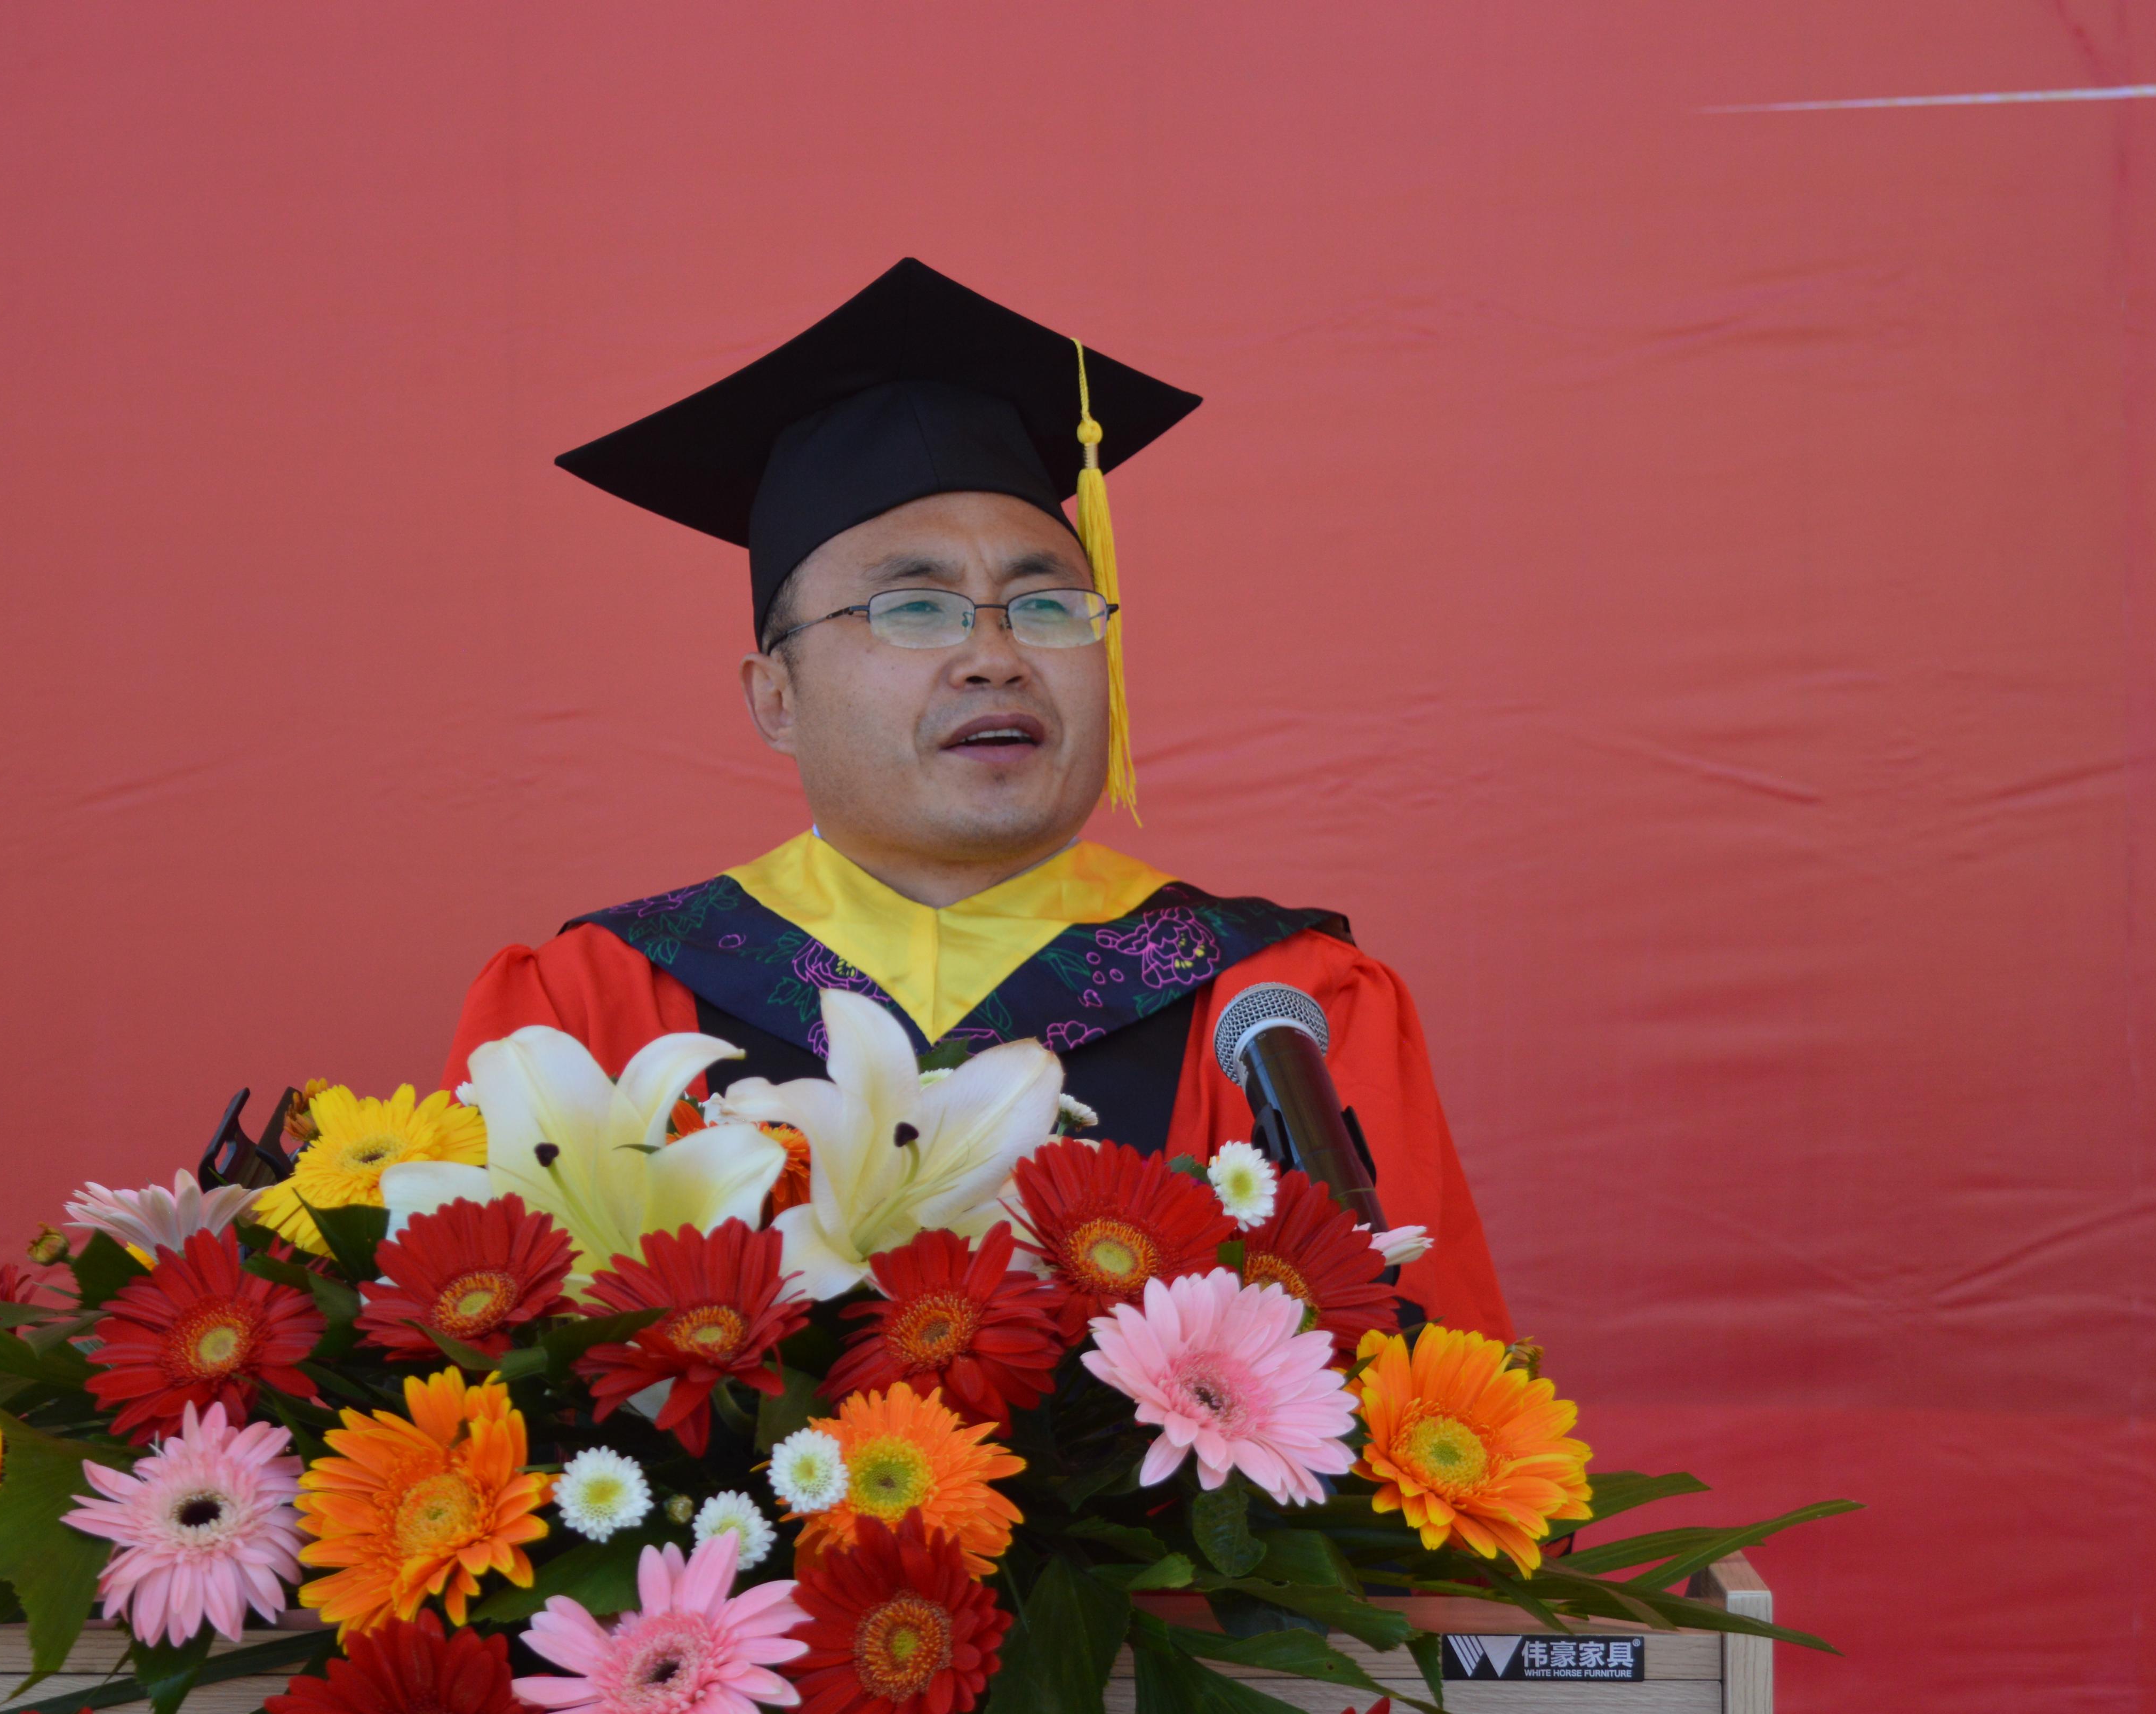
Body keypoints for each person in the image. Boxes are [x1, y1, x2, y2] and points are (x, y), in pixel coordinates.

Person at [441, 259, 1509, 1335]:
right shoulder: (591, 1008)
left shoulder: (1277, 1005)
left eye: (1047, 606)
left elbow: (1431, 1398)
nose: (996, 656)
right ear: (777, 699)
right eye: (914, 608)